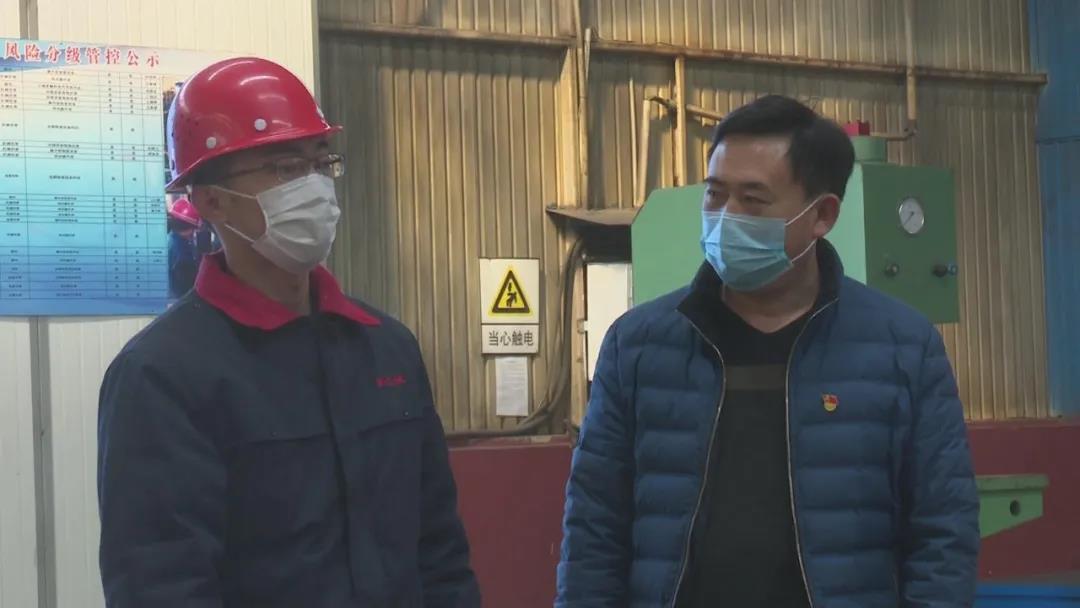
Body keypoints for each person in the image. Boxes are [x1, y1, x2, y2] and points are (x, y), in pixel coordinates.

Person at [556, 95, 979, 607]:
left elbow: (943, 532)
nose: (725, 217)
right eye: (715, 195)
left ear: (822, 214)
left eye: (753, 200)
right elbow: (594, 530)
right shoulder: (638, 346)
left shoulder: (903, 348)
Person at [97, 57, 480, 608]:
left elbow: (439, 550)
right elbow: (161, 585)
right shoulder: (161, 376)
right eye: (284, 167)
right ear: (209, 200)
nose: (314, 187)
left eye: (320, 162)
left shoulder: (386, 348)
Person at [166, 197, 200, 298]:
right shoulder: (182, 250)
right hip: (179, 296)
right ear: (189, 227)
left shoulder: (169, 238)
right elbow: (187, 284)